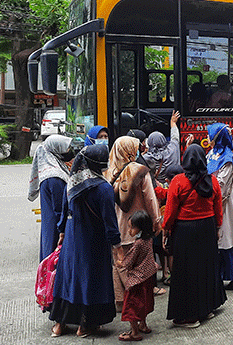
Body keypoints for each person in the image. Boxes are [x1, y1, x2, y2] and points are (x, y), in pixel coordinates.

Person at [49, 145, 121, 338]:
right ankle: (85, 326)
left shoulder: (72, 183)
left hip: (72, 241)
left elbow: (64, 213)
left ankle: (60, 324)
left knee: (68, 279)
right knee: (91, 280)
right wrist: (117, 246)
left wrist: (62, 234)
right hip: (94, 243)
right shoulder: (103, 188)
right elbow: (110, 222)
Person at [163, 144, 226, 327]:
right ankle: (206, 309)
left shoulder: (178, 181)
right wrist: (217, 228)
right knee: (206, 268)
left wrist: (166, 229)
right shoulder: (212, 181)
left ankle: (190, 317)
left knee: (186, 273)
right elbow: (218, 209)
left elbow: (171, 211)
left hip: (185, 231)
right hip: (207, 228)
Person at [106, 136, 162, 311]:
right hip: (138, 226)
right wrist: (156, 220)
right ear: (130, 150)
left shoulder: (108, 171)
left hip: (117, 227)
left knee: (118, 264)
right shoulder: (139, 171)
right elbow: (150, 198)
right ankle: (136, 301)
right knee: (140, 266)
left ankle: (120, 300)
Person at [206, 123, 233, 291]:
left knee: (229, 237)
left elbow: (222, 186)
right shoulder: (212, 153)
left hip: (224, 203)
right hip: (213, 201)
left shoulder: (228, 158)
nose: (208, 139)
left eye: (211, 136)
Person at [28, 135, 76, 261]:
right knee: (53, 260)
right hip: (55, 228)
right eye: (65, 148)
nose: (68, 151)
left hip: (50, 225)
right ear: (56, 150)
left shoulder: (48, 171)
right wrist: (63, 229)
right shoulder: (55, 177)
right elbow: (59, 209)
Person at [115, 210, 158, 342]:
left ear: (141, 228)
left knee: (131, 306)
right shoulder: (149, 240)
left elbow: (129, 261)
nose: (129, 231)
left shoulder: (138, 244)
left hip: (136, 280)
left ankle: (134, 332)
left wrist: (120, 262)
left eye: (132, 227)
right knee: (143, 303)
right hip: (147, 277)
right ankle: (143, 325)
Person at [143, 111, 181, 185]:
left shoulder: (146, 158)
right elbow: (175, 137)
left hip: (158, 188)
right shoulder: (173, 149)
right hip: (172, 185)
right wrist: (173, 122)